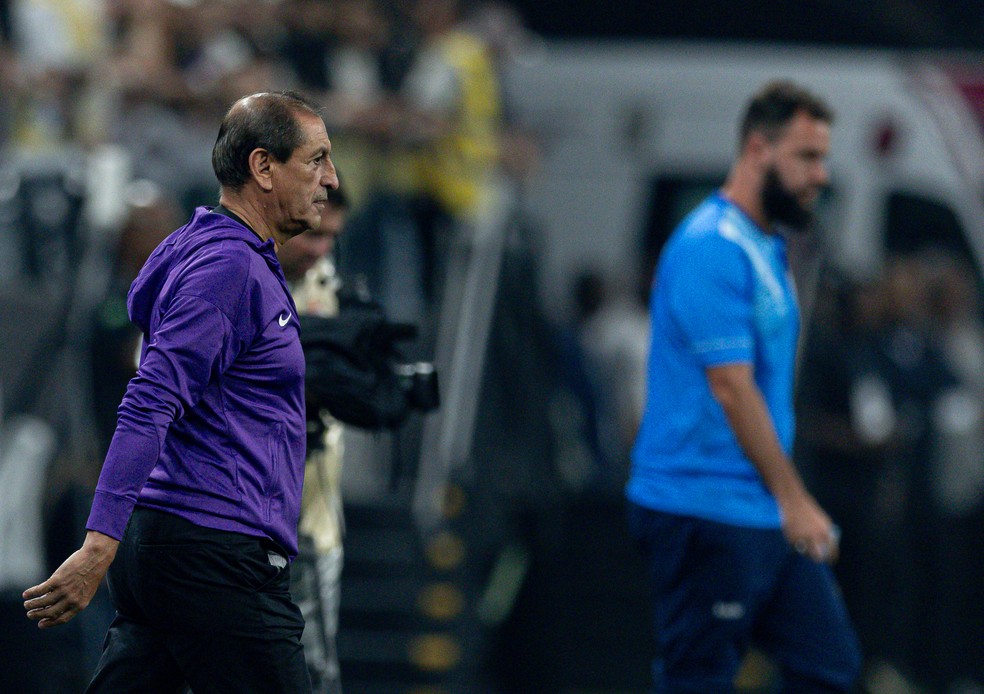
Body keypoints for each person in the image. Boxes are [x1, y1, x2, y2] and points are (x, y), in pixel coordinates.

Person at [23, 90, 339, 694]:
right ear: (264, 168)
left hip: (175, 544)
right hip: (215, 552)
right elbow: (151, 398)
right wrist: (98, 544)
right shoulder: (228, 269)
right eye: (317, 159)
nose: (330, 179)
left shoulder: (211, 252)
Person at [625, 81, 861, 692]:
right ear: (758, 148)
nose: (821, 175)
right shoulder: (710, 246)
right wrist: (796, 500)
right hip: (701, 504)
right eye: (807, 157)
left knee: (829, 668)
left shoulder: (765, 246)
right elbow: (731, 388)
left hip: (755, 505)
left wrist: (781, 501)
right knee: (698, 678)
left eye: (823, 158)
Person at [277, 182, 350, 693]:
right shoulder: (224, 278)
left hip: (312, 522)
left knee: (313, 671)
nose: (321, 250)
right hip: (229, 524)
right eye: (313, 235)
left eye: (332, 238)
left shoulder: (327, 285)